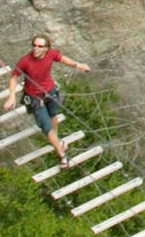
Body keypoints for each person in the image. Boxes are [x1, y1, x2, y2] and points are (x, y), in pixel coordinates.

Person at [7, 35, 90, 165]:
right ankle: (62, 156)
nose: (36, 48)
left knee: (53, 116)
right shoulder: (25, 61)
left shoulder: (51, 54)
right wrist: (11, 96)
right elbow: (13, 78)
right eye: (34, 45)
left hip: (50, 92)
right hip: (35, 98)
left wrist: (77, 65)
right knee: (46, 127)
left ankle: (56, 139)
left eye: (40, 46)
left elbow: (62, 59)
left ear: (46, 48)